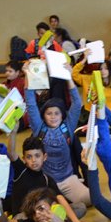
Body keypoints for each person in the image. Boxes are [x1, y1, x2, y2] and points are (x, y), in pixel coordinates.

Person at [24, 61, 89, 208]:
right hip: (46, 181)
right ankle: (64, 205)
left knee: (89, 199)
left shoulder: (68, 126)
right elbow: (31, 104)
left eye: (56, 113)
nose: (53, 117)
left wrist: (68, 77)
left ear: (62, 115)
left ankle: (65, 203)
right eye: (49, 113)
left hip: (68, 180)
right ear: (44, 116)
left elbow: (77, 103)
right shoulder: (39, 127)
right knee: (39, 208)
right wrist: (28, 75)